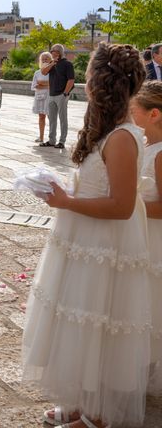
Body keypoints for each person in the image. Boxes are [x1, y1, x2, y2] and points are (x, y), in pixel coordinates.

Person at [22, 43, 152, 428]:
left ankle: (98, 416)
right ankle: (82, 402)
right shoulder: (106, 129)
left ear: (99, 83)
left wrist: (66, 202)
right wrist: (62, 189)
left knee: (98, 320)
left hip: (105, 244)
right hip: (84, 238)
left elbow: (121, 206)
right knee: (78, 322)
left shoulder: (123, 138)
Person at [130, 81, 162, 383]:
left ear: (153, 114)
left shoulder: (161, 153)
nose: (130, 111)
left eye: (134, 108)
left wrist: (130, 203)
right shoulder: (144, 143)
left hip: (155, 238)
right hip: (141, 232)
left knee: (153, 300)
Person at [39, 43, 75, 149]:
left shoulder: (67, 64)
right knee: (52, 119)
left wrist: (65, 93)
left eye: (52, 51)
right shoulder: (52, 63)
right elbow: (43, 72)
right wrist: (52, 63)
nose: (51, 53)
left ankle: (62, 141)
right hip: (52, 94)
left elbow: (71, 80)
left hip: (61, 95)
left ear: (58, 52)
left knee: (63, 119)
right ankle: (51, 140)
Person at [30, 51, 52, 143]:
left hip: (50, 97)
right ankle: (41, 137)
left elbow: (53, 85)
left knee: (51, 117)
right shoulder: (37, 73)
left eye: (46, 58)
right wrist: (47, 84)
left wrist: (42, 83)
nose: (44, 60)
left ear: (50, 60)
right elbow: (34, 86)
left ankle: (52, 138)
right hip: (39, 97)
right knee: (41, 117)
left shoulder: (53, 73)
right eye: (43, 59)